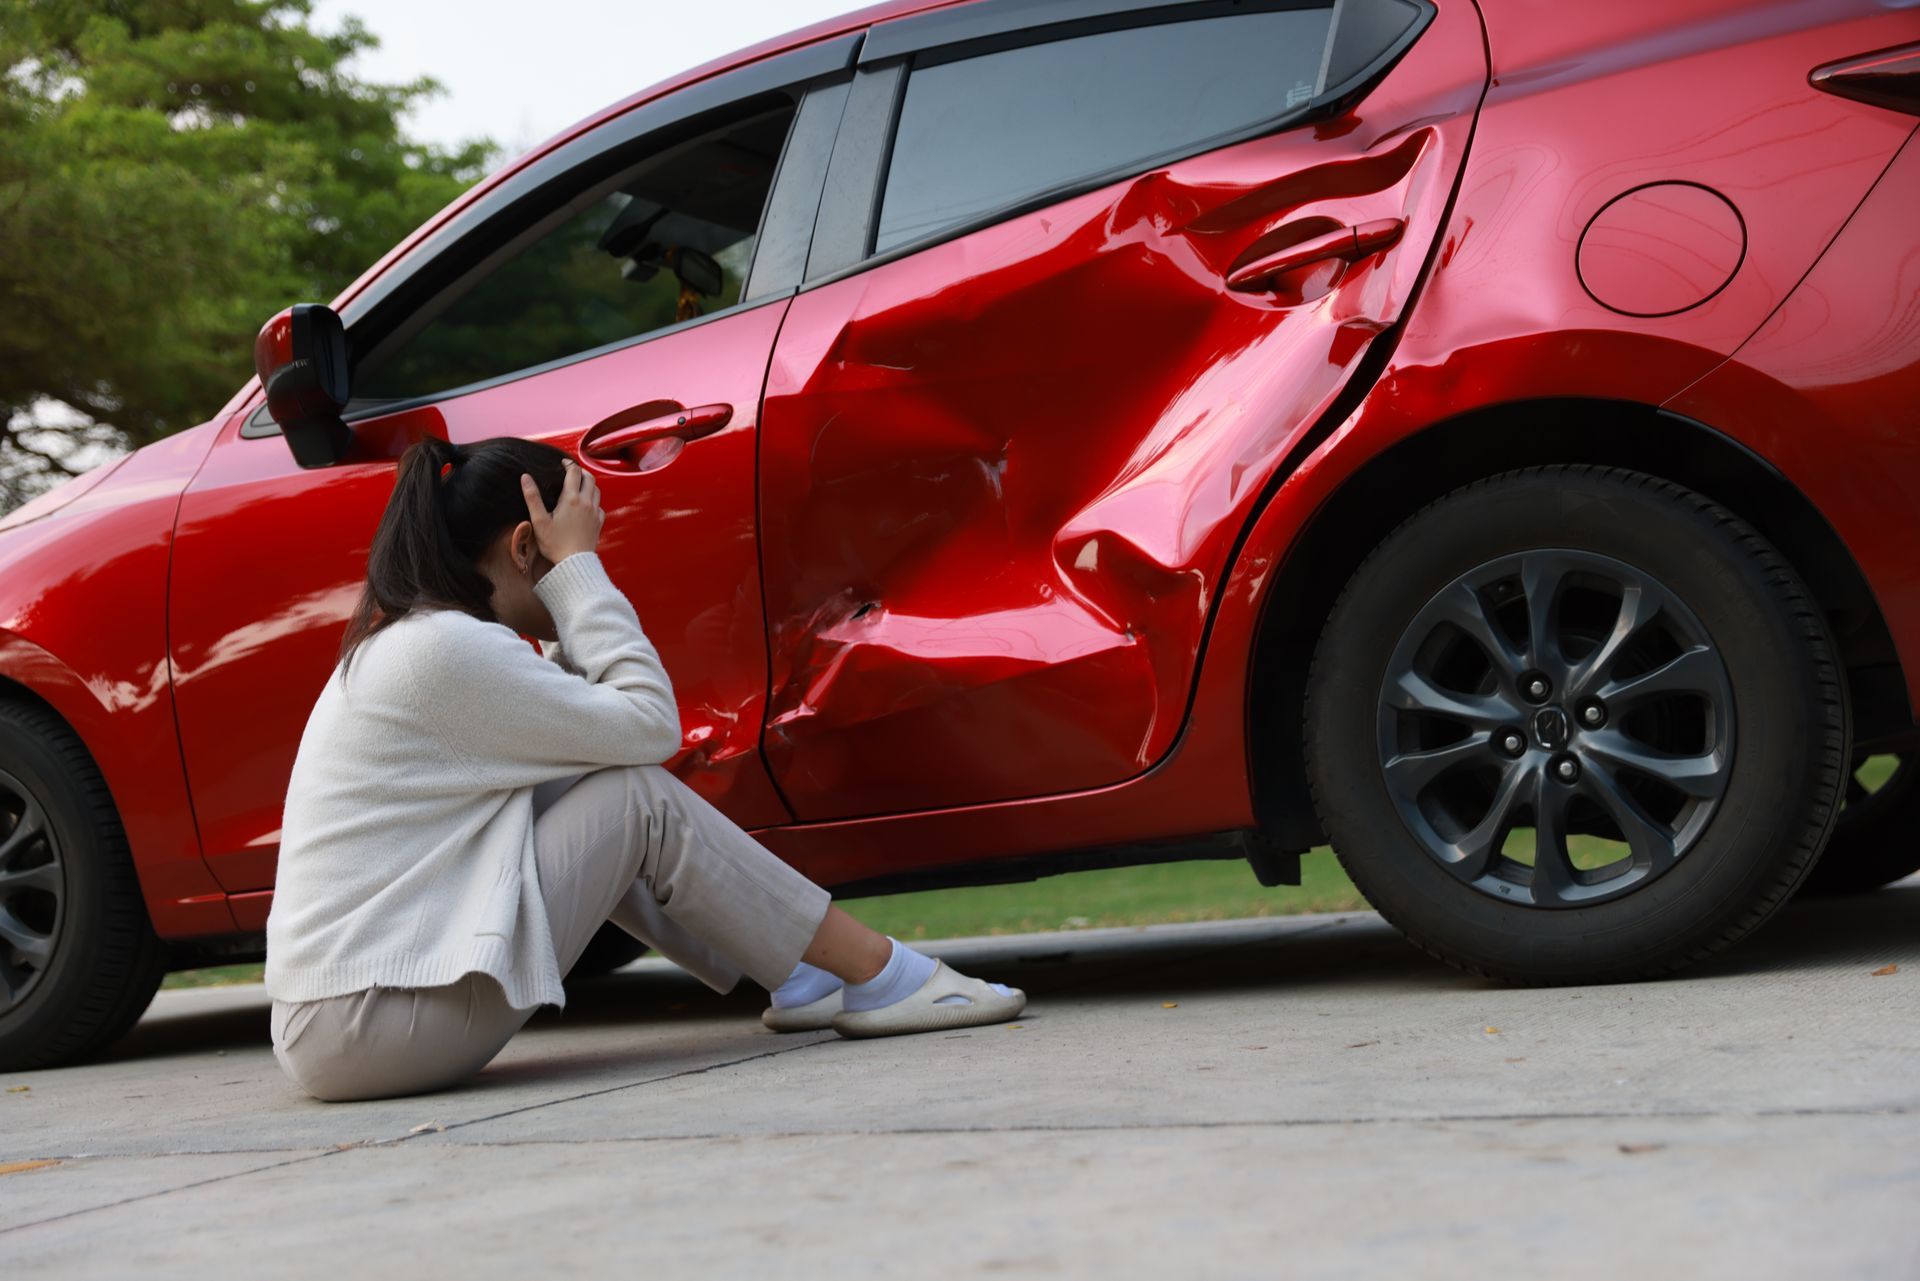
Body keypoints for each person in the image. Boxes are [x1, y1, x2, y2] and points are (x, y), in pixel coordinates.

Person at [264, 435, 1024, 1102]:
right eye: (568, 556)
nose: (584, 572)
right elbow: (647, 726)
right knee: (633, 800)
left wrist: (568, 583)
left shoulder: (424, 641)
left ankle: (803, 973)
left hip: (349, 1022)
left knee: (590, 782)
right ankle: (880, 974)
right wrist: (581, 575)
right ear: (526, 548)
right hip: (369, 1025)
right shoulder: (446, 650)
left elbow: (592, 736)